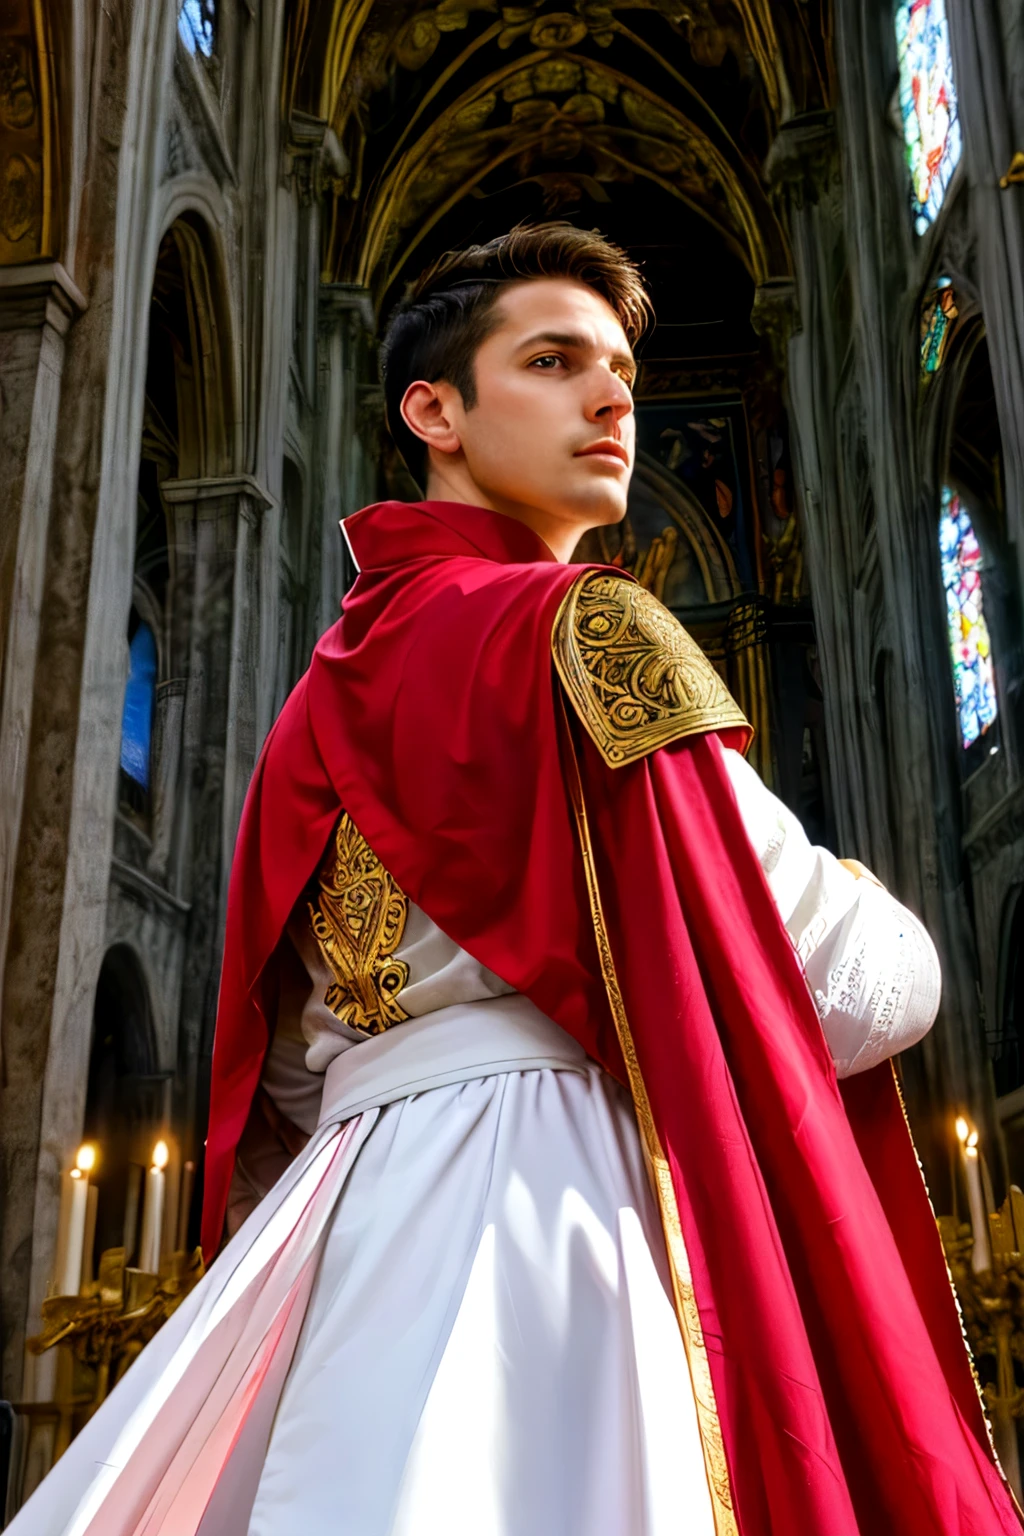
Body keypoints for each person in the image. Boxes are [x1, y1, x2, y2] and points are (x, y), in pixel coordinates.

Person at [13, 223, 1020, 1536]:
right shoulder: (591, 623)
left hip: (338, 1222)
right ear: (433, 408)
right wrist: (876, 908)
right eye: (553, 360)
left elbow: (288, 1068)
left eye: (623, 372)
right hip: (567, 1215)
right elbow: (847, 985)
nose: (611, 399)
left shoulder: (309, 705)